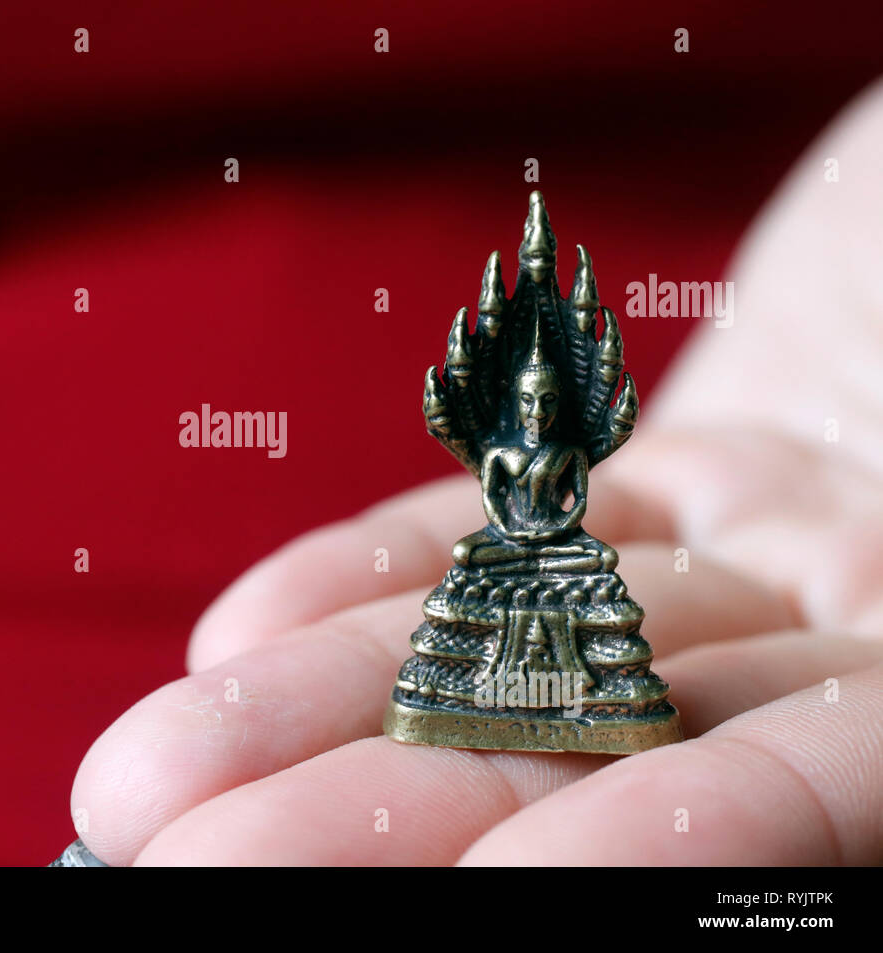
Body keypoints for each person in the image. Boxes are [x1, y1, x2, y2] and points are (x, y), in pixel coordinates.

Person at [69, 77, 883, 866]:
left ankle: (580, 696)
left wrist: (548, 538)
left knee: (592, 567)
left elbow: (563, 514)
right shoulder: (500, 451)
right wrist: (515, 538)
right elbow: (502, 510)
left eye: (542, 407)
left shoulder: (563, 450)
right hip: (507, 559)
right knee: (471, 562)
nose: (532, 419)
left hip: (558, 557)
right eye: (524, 406)